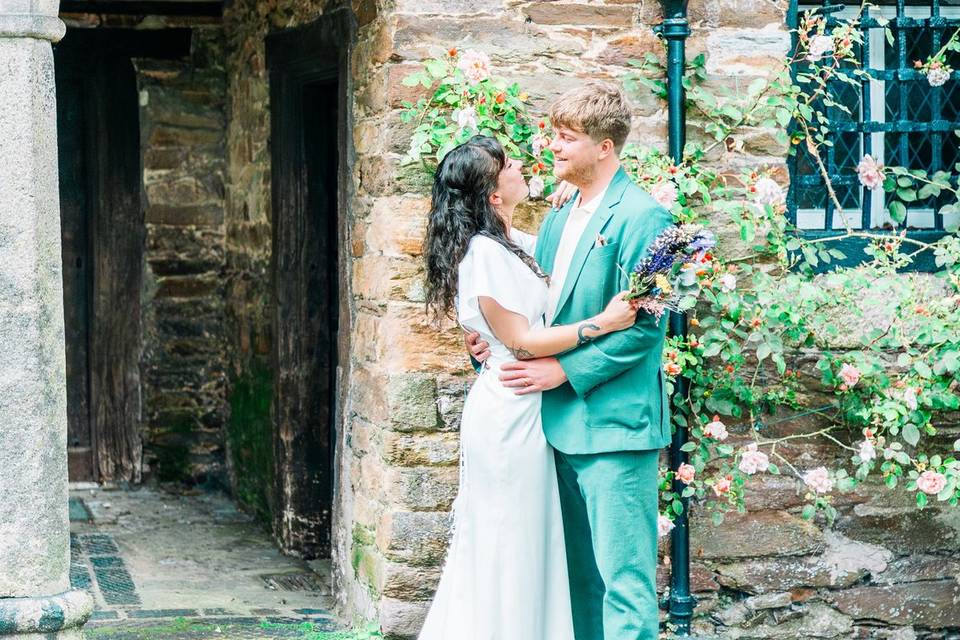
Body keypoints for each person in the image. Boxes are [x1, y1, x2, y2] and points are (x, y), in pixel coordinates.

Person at [467, 81, 675, 639]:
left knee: (625, 582)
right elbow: (537, 308)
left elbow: (647, 329)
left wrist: (562, 370)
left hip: (614, 427)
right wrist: (492, 339)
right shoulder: (559, 216)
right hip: (554, 427)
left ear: (603, 147)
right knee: (579, 585)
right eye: (554, 136)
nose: (552, 147)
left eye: (566, 138)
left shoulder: (644, 218)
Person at [419, 135, 640, 640]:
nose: (523, 166)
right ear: (494, 194)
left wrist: (573, 204)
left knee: (529, 538)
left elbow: (553, 272)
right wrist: (603, 324)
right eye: (511, 164)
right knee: (509, 539)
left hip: (529, 407)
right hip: (509, 410)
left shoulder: (513, 244)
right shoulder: (483, 252)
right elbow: (519, 342)